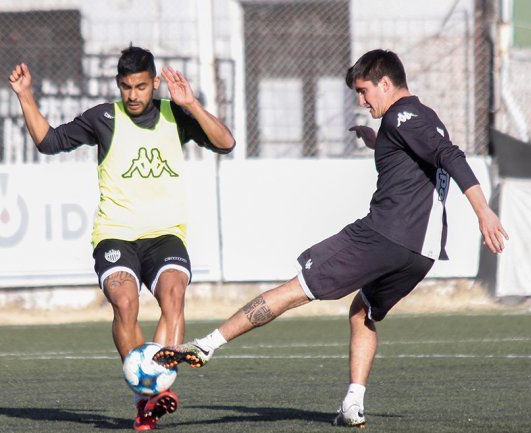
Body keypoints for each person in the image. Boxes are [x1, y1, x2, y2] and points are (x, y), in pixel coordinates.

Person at [153, 49, 508, 428]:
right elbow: (426, 154)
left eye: (364, 90)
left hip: (383, 235)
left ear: (386, 84)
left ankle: (206, 345)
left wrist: (483, 211)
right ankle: (353, 404)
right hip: (421, 252)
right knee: (362, 311)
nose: (360, 100)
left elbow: (450, 156)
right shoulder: (422, 117)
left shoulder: (401, 116)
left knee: (296, 287)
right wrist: (380, 142)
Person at [8, 45, 235, 430]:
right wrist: (26, 96)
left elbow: (226, 142)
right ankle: (143, 398)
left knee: (174, 295)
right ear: (119, 84)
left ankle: (157, 384)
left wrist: (192, 105)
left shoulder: (174, 114)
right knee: (125, 303)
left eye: (141, 87)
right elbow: (49, 142)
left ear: (155, 83)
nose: (133, 95)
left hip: (165, 234)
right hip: (115, 235)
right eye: (127, 87)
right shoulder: (104, 118)